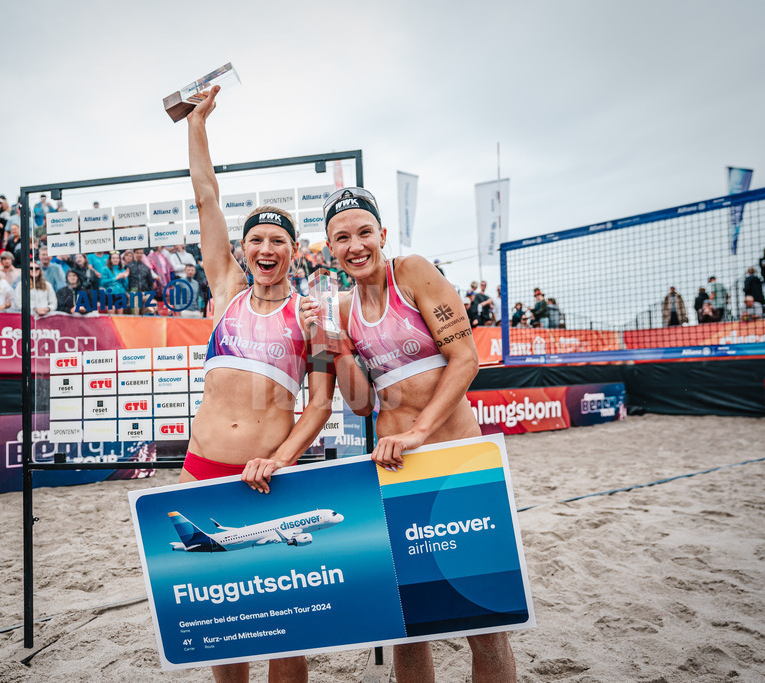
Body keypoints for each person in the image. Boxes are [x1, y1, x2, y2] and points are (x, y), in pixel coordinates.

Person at [302, 185, 516, 683]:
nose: (355, 245)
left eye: (363, 233)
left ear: (382, 234)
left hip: (455, 461)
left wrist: (421, 430)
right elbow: (359, 402)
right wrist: (334, 347)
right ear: (329, 249)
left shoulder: (413, 271)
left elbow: (466, 359)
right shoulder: (340, 308)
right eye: (341, 238)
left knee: (485, 621)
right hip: (396, 471)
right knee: (409, 623)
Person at [184, 85, 334, 683]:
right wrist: (197, 124)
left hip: (272, 478)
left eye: (278, 240)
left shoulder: (312, 315)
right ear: (242, 251)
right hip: (201, 468)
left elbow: (321, 405)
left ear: (294, 253)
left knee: (282, 624)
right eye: (257, 240)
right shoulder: (224, 290)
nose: (266, 247)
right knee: (223, 622)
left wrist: (277, 460)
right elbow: (206, 198)